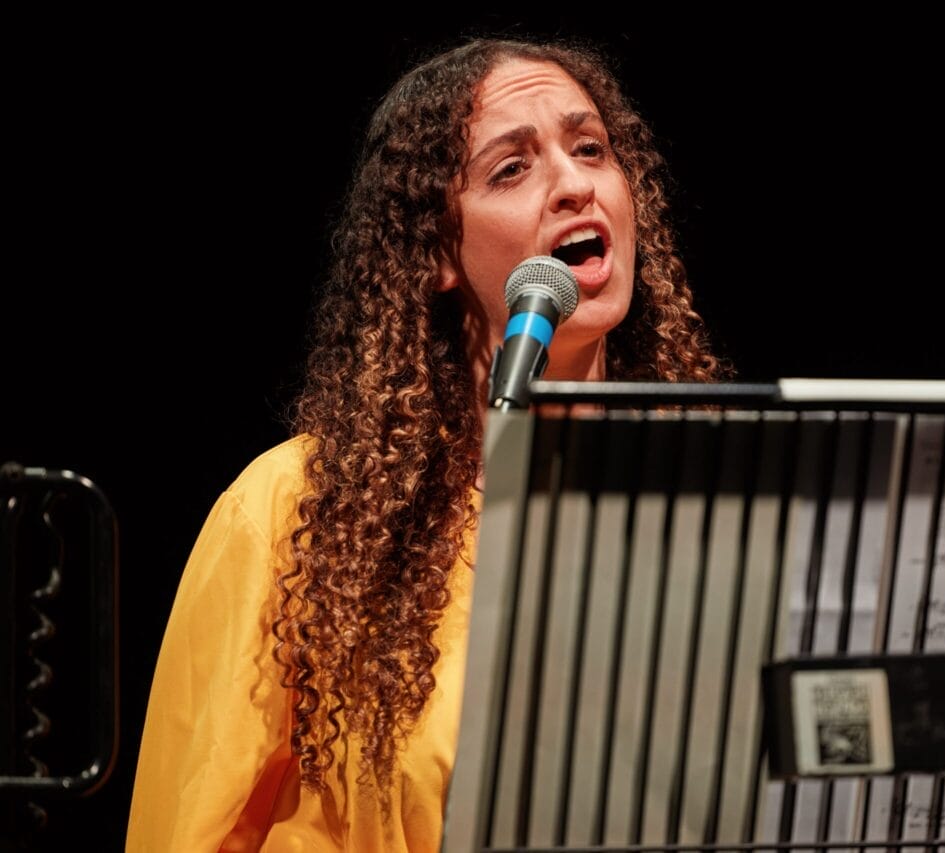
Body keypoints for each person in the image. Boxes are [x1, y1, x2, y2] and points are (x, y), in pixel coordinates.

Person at [126, 36, 725, 851]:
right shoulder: (299, 512)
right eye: (511, 169)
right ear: (439, 251)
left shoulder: (718, 495)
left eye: (591, 149)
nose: (575, 184)